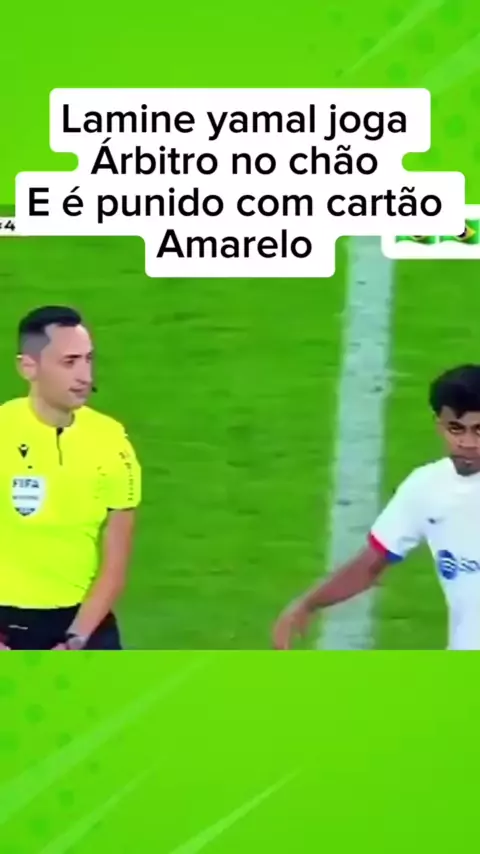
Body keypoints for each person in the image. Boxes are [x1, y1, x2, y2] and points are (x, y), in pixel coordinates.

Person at [273, 364, 480, 652]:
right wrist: (308, 603)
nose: (467, 443)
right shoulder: (427, 486)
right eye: (456, 429)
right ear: (439, 426)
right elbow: (370, 565)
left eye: (479, 431)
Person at [0, 306, 141, 650]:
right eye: (69, 362)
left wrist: (75, 639)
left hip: (84, 621)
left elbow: (116, 563)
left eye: (88, 360)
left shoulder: (111, 440)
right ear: (28, 367)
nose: (84, 376)